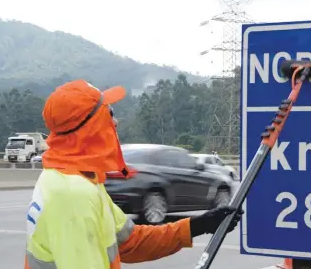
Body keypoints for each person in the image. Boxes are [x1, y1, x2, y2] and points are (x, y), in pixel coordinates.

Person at [24, 80, 243, 269]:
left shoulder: (72, 177)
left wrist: (198, 225)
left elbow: (130, 242)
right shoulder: (73, 195)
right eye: (109, 113)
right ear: (89, 127)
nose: (115, 122)